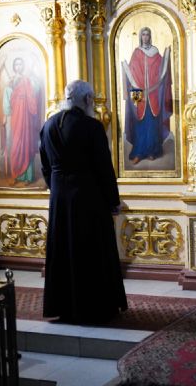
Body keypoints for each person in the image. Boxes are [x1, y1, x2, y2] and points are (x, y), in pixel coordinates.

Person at [40, 80, 128, 324]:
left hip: (59, 199)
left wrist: (57, 189)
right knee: (90, 250)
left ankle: (65, 307)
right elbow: (103, 167)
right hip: (88, 198)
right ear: (88, 99)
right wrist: (113, 200)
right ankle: (94, 307)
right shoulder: (92, 126)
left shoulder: (48, 125)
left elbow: (45, 166)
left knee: (63, 248)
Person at [122, 27, 172, 165]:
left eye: (147, 34)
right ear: (140, 37)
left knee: (152, 123)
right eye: (143, 34)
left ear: (150, 37)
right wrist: (125, 69)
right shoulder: (136, 52)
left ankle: (152, 151)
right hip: (137, 91)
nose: (145, 37)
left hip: (153, 93)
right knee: (139, 122)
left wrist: (167, 56)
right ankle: (138, 152)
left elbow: (161, 70)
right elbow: (131, 72)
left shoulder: (155, 52)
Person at [1, 57, 43, 185]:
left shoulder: (28, 80)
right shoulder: (11, 82)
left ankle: (28, 177)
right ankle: (16, 174)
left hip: (27, 118)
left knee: (26, 144)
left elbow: (37, 90)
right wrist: (6, 113)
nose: (18, 67)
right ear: (14, 67)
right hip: (16, 117)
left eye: (20, 64)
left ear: (23, 66)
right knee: (16, 144)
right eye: (16, 64)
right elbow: (7, 98)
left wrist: (30, 79)